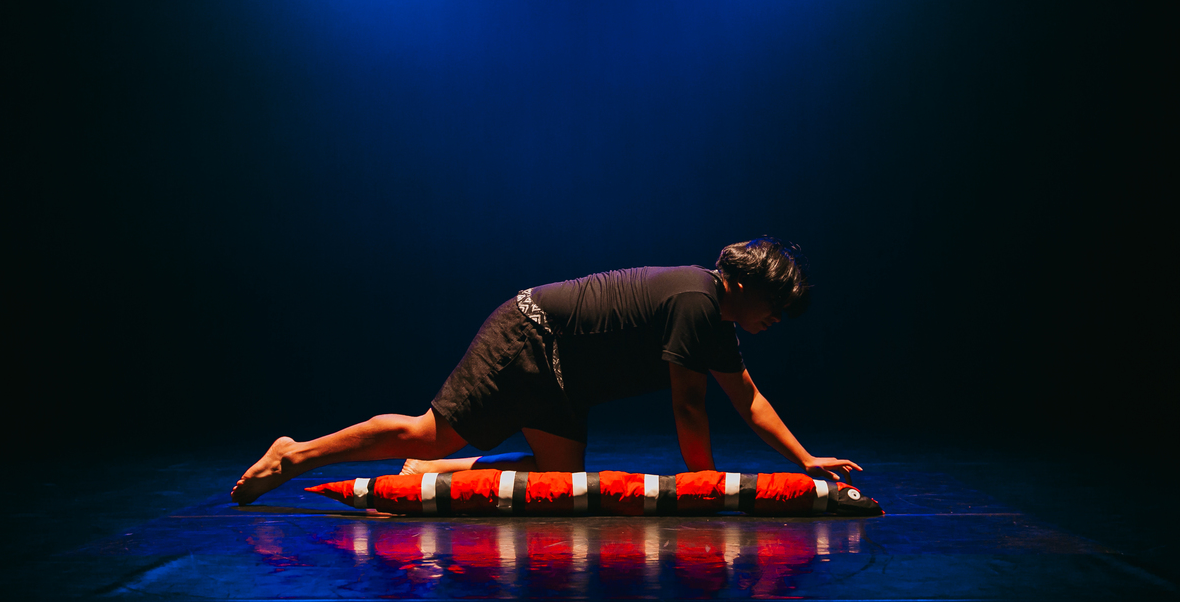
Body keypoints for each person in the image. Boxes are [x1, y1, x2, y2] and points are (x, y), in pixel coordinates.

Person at [231, 237, 860, 504]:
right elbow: (688, 407)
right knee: (429, 431)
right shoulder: (698, 301)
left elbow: (748, 399)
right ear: (742, 285)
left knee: (558, 478)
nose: (777, 318)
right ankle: (295, 455)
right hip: (532, 336)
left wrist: (804, 459)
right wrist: (705, 486)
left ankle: (430, 472)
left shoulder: (715, 319)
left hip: (566, 372)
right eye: (774, 305)